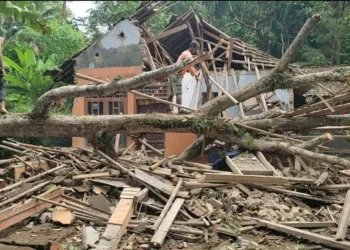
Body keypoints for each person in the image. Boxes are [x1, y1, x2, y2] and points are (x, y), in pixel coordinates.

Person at [166, 40, 200, 114]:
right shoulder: (188, 55)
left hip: (173, 74)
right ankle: (180, 110)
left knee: (172, 93)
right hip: (177, 75)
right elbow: (190, 66)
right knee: (179, 93)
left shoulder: (185, 53)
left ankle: (167, 107)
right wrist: (195, 75)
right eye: (196, 49)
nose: (196, 51)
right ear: (192, 47)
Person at [0, 37, 7, 114]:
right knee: (1, 87)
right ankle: (2, 107)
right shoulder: (0, 39)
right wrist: (3, 68)